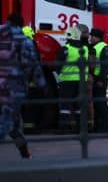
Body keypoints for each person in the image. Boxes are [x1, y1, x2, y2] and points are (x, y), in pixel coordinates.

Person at [0, 15, 45, 159]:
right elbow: (31, 65)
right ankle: (25, 154)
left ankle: (25, 154)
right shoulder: (24, 41)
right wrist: (40, 83)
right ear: (20, 26)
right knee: (10, 122)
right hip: (13, 88)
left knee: (10, 122)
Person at [56, 25, 89, 132]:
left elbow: (58, 65)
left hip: (67, 80)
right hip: (81, 81)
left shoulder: (66, 49)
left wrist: (58, 77)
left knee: (65, 106)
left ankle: (63, 128)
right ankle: (80, 128)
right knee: (79, 106)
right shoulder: (85, 48)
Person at [89, 28, 108, 132]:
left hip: (99, 79)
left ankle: (103, 126)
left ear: (97, 37)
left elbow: (106, 66)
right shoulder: (94, 47)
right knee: (96, 103)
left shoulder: (103, 47)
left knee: (100, 104)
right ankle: (98, 126)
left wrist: (101, 80)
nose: (90, 38)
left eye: (92, 36)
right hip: (95, 78)